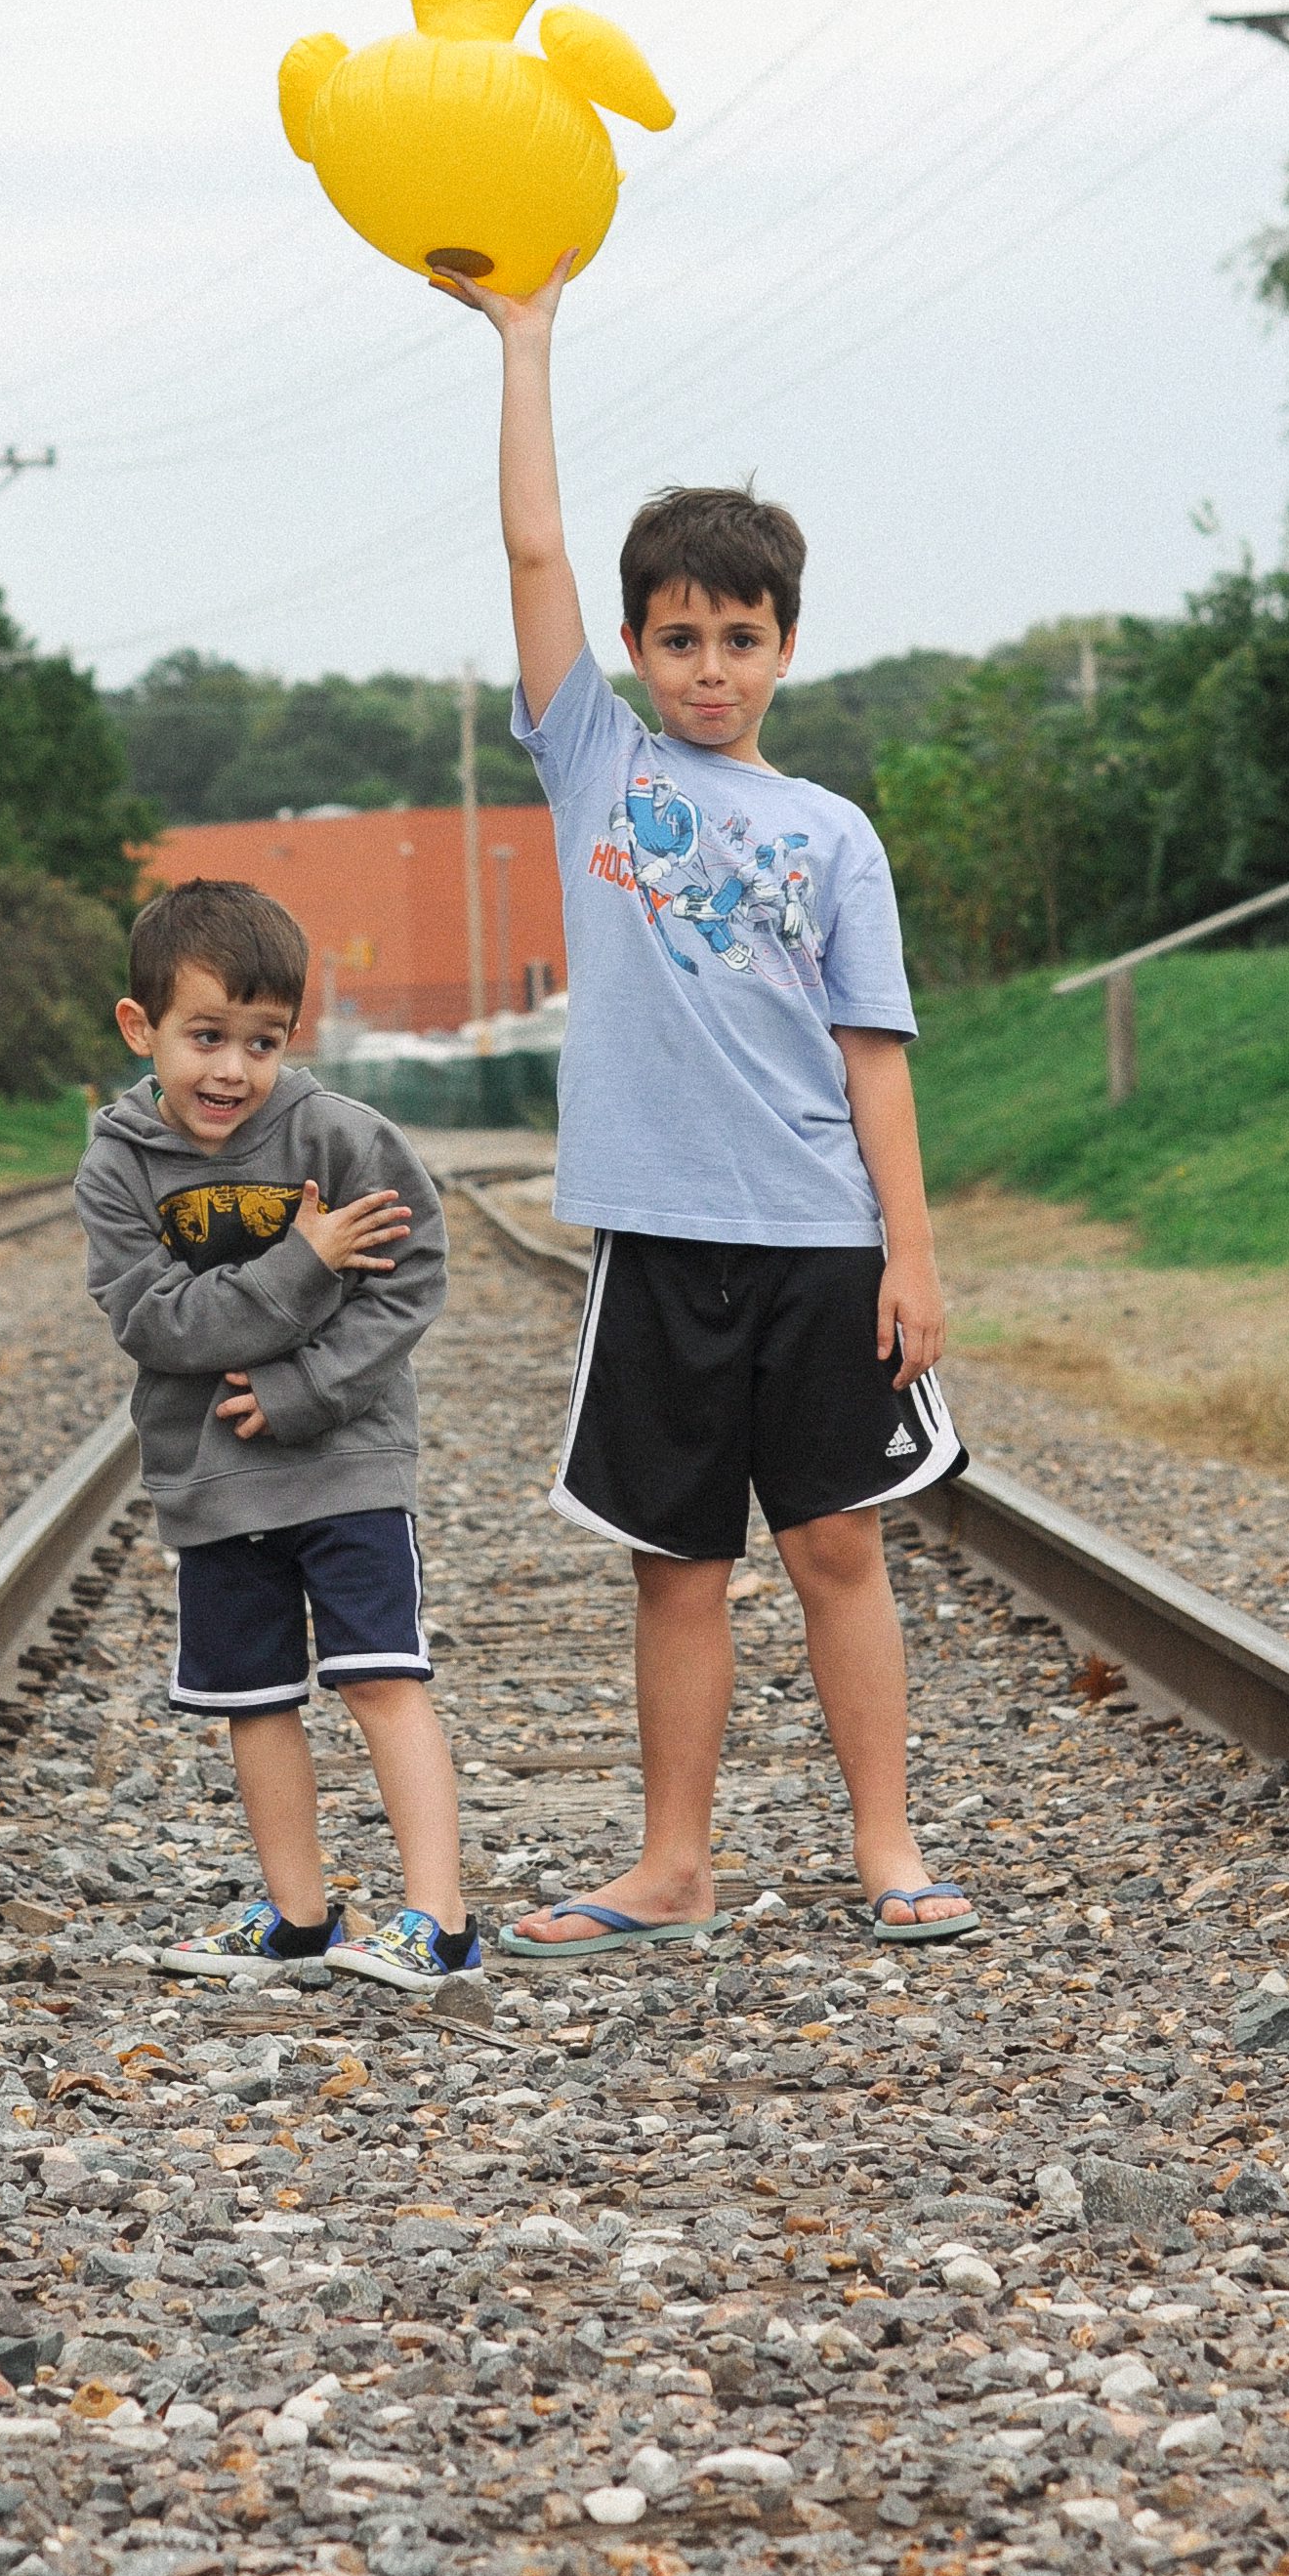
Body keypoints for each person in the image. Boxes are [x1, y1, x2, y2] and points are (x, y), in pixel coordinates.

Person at [437, 245, 977, 1962]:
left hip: (819, 1241)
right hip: (661, 1240)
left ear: (786, 647)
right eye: (678, 639)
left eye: (740, 640)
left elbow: (873, 1053)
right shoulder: (593, 763)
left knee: (835, 1549)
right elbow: (532, 547)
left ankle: (887, 1843)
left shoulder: (833, 834)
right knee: (675, 1565)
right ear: (632, 647)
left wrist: (910, 1252)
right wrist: (526, 340)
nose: (709, 667)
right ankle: (673, 1864)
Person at [75, 878, 479, 1997]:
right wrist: (303, 1261)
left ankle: (439, 1918)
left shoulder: (338, 1138)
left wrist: (303, 1387)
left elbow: (409, 1280)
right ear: (140, 1026)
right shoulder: (118, 1167)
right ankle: (299, 1914)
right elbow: (157, 1322)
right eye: (205, 1036)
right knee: (251, 1699)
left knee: (379, 1676)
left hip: (346, 1462)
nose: (232, 1069)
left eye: (261, 1041)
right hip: (211, 1475)